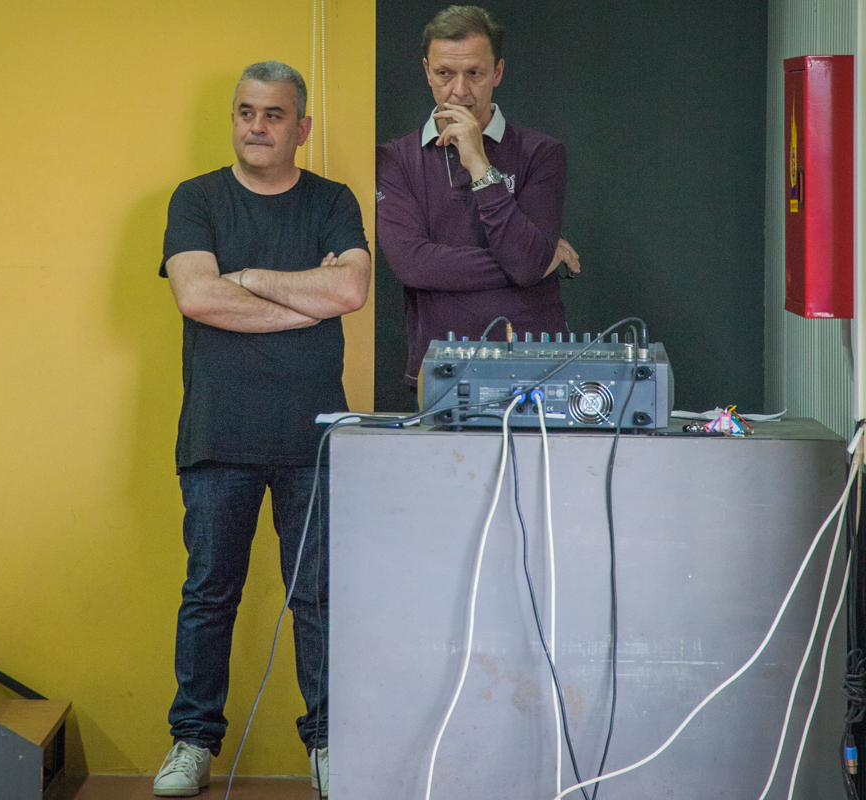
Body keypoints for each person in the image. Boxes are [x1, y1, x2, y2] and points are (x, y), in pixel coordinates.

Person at [154, 60, 371, 798]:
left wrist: (246, 278)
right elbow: (196, 298)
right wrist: (306, 302)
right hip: (218, 435)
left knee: (318, 598)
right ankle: (192, 743)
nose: (257, 126)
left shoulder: (333, 201)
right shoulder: (196, 198)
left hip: (312, 439)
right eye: (246, 112)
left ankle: (329, 745)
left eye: (274, 115)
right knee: (209, 595)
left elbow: (350, 288)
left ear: (301, 127)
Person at [376, 5, 581, 390]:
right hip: (440, 369)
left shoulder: (542, 153)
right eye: (445, 73)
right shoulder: (394, 159)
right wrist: (540, 256)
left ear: (497, 73)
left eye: (474, 73)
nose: (459, 90)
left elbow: (526, 262)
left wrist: (477, 161)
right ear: (427, 72)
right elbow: (414, 265)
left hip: (538, 365)